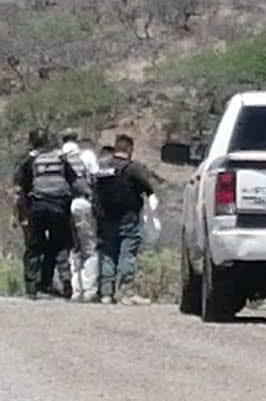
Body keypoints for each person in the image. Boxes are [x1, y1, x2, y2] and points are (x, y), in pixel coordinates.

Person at [12, 128, 91, 300]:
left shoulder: (29, 161)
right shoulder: (61, 159)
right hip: (59, 207)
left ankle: (33, 288)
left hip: (36, 208)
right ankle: (63, 282)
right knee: (59, 245)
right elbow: (75, 182)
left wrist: (19, 214)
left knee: (34, 247)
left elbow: (19, 190)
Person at [94, 134, 157, 306]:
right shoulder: (132, 169)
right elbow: (148, 188)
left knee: (108, 254)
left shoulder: (102, 169)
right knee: (127, 254)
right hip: (128, 218)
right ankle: (125, 292)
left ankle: (106, 293)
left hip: (106, 218)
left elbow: (95, 193)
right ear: (129, 149)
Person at [60, 129, 101, 302]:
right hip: (82, 203)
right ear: (77, 139)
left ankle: (75, 290)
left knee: (72, 247)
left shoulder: (57, 156)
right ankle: (90, 290)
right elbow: (96, 178)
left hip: (61, 205)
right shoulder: (87, 155)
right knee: (89, 248)